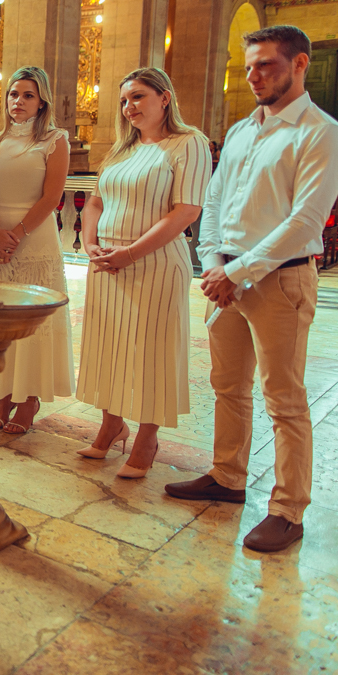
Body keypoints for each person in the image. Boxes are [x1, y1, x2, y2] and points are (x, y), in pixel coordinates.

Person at [167, 25, 338, 552]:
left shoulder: (322, 133)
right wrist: (213, 262)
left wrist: (237, 270)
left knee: (284, 398)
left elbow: (304, 221)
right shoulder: (246, 129)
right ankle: (227, 477)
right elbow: (215, 201)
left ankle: (289, 510)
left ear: (299, 65)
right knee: (228, 386)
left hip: (280, 280)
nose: (253, 76)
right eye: (248, 66)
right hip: (229, 277)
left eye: (266, 65)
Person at [76, 67, 211, 477]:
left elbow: (186, 210)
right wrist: (88, 242)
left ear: (164, 97)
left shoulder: (188, 143)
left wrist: (130, 253)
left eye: (137, 97)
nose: (128, 107)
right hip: (107, 262)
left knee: (152, 350)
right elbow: (95, 203)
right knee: (107, 344)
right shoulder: (122, 149)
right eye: (123, 100)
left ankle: (147, 438)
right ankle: (111, 424)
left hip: (154, 262)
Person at [0, 67, 74, 433]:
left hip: (34, 239)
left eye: (28, 95)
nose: (18, 101)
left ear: (42, 101)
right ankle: (2, 394)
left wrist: (16, 234)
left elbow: (52, 197)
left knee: (30, 321)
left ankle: (29, 399)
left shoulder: (54, 140)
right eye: (14, 94)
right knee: (1, 321)